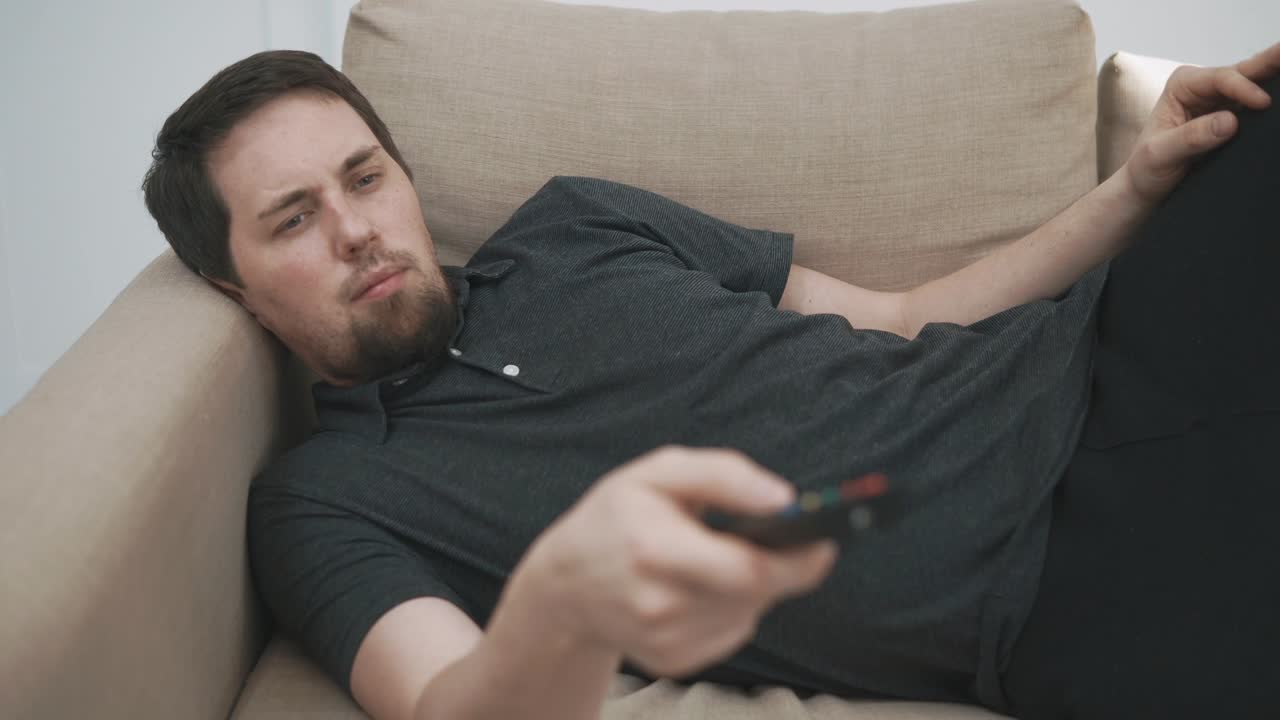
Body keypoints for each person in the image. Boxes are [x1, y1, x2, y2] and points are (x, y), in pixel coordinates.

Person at [140, 42, 1280, 720]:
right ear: (233, 286)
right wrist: (563, 602)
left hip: (1110, 349)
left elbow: (901, 317)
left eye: (363, 176)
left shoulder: (574, 225)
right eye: (294, 219)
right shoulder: (323, 502)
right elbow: (447, 707)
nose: (355, 231)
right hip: (1067, 590)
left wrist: (1135, 188)